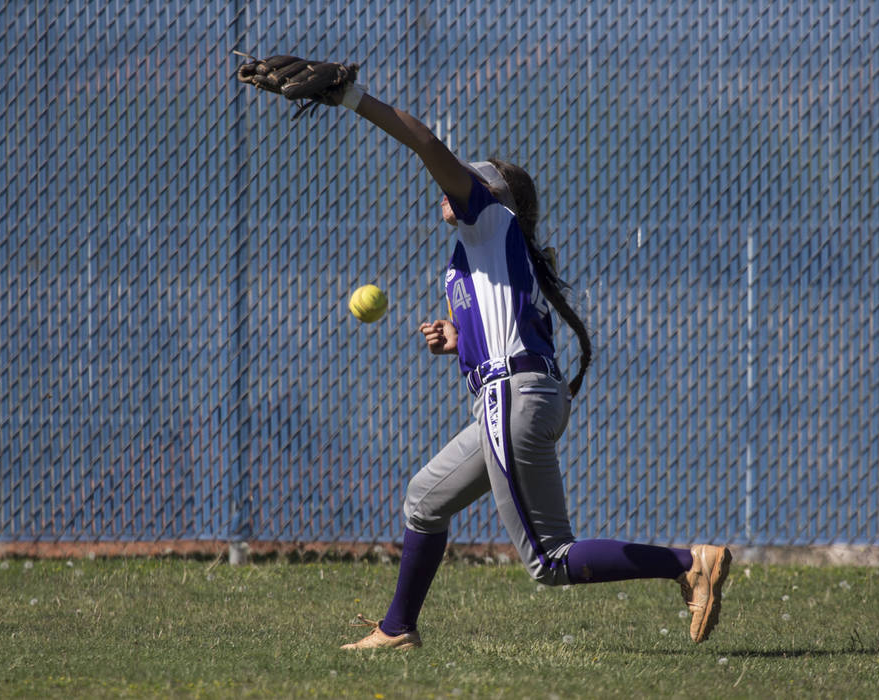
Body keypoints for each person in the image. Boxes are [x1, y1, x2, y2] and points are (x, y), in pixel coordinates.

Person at [241, 62, 731, 649]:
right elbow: (509, 326)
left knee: (549, 558)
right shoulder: (483, 249)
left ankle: (689, 561)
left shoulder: (489, 217)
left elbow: (426, 145)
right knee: (425, 500)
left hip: (512, 398)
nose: (458, 180)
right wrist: (458, 338)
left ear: (494, 194)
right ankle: (398, 629)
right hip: (516, 398)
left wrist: (352, 98)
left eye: (475, 175)